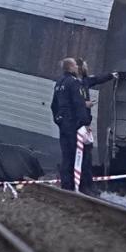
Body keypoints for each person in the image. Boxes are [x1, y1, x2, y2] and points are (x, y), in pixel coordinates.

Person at [74, 58, 117, 193]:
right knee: (81, 157)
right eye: (85, 66)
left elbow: (97, 79)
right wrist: (84, 104)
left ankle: (88, 185)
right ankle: (81, 185)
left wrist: (111, 75)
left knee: (87, 157)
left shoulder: (85, 81)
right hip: (77, 125)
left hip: (85, 125)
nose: (87, 68)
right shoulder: (73, 84)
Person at [50, 58, 86, 190]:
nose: (78, 68)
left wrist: (58, 119)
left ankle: (65, 183)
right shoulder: (74, 83)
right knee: (74, 154)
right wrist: (82, 122)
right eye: (76, 65)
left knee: (66, 154)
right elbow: (78, 104)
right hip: (72, 123)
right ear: (70, 67)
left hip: (63, 123)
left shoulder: (59, 83)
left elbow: (54, 105)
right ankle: (73, 185)